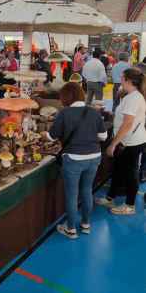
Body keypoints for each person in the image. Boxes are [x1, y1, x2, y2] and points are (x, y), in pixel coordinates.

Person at [43, 82, 107, 239]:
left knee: (72, 194)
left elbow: (51, 137)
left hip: (73, 159)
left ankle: (71, 229)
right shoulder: (93, 112)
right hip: (94, 157)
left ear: (65, 97)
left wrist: (44, 133)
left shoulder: (64, 113)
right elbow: (103, 136)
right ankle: (85, 224)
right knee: (86, 190)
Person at [96, 68, 146, 215]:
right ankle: (110, 197)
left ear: (129, 81)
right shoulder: (131, 96)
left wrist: (113, 144)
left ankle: (129, 205)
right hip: (128, 140)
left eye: (122, 78)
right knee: (117, 169)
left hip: (131, 142)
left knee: (131, 173)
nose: (120, 80)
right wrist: (111, 113)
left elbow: (128, 123)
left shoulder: (133, 98)